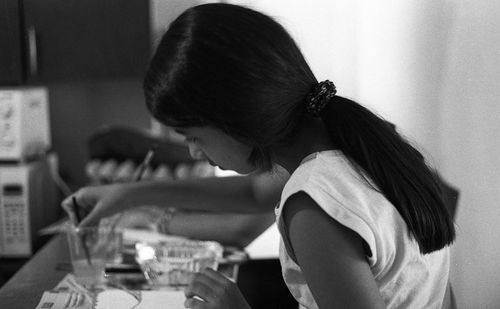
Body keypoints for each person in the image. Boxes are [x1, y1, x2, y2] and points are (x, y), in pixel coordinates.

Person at [66, 3, 456, 308]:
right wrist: (125, 195)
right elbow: (254, 194)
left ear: (233, 116)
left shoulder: (313, 208)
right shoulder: (359, 144)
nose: (193, 150)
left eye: (194, 135)